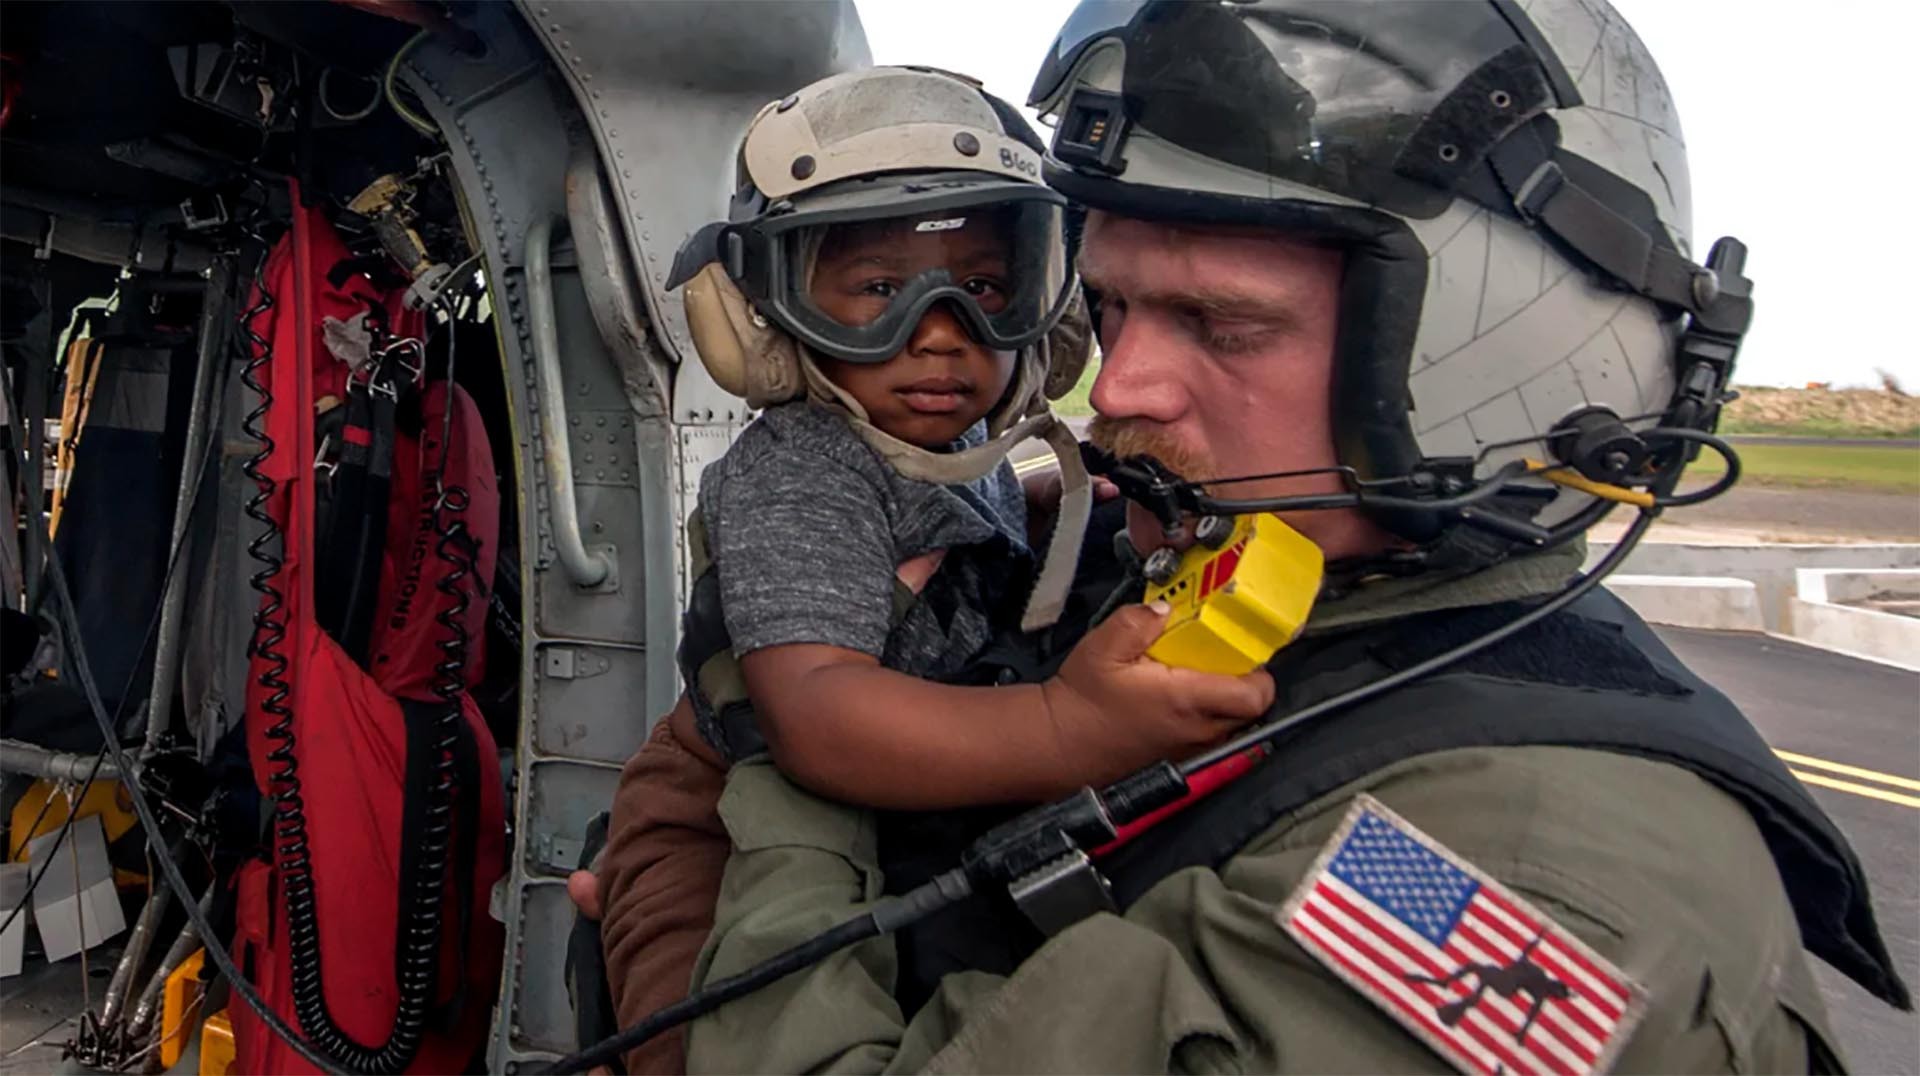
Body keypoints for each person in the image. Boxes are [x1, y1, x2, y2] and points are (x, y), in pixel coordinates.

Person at [567, 2, 1912, 1073]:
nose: (1125, 390)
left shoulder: (1534, 885)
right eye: (1116, 311)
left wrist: (731, 805)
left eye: (1222, 325)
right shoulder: (1282, 595)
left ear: (1473, 359)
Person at [591, 66, 1273, 1074]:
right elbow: (818, 718)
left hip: (863, 816)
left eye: (986, 288)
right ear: (769, 316)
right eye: (878, 290)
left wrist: (1058, 505)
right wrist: (1073, 729)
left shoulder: (957, 447)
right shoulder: (804, 470)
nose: (944, 332)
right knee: (697, 1046)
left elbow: (957, 526)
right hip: (711, 821)